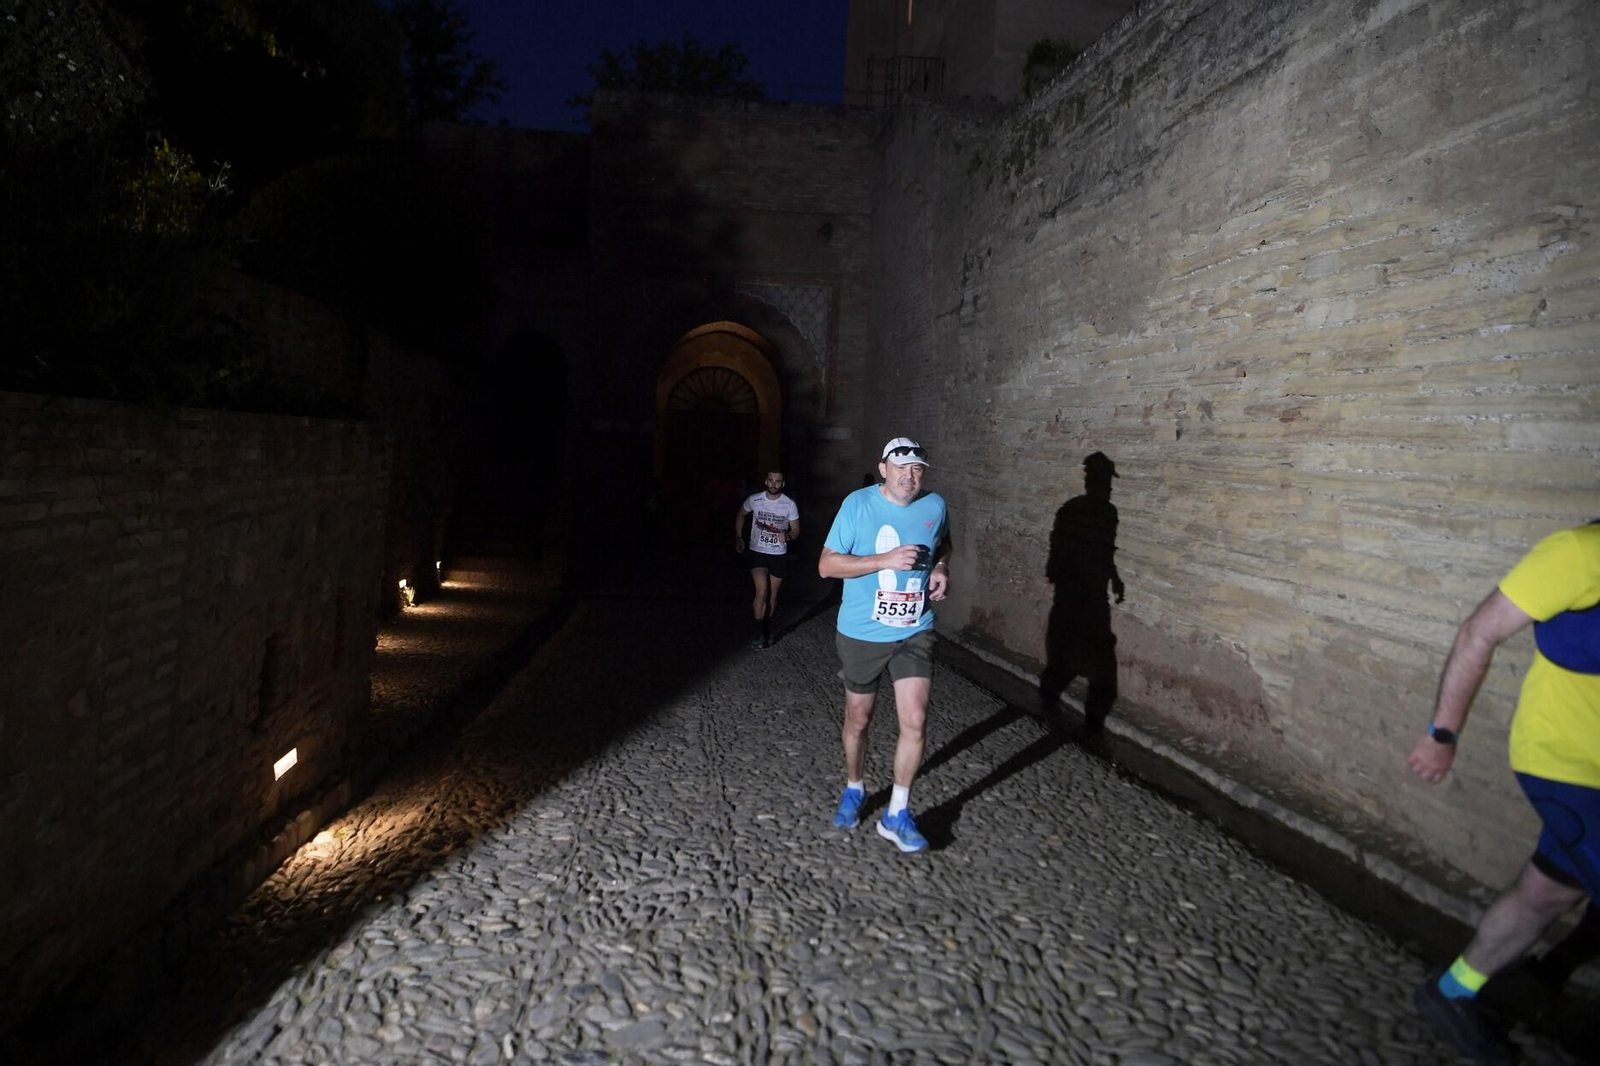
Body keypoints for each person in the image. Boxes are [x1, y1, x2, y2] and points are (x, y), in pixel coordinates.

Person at [1407, 520, 1600, 1062]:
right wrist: (1441, 736)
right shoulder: (1582, 554)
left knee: (1550, 891)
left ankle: (1454, 992)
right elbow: (1479, 633)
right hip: (1567, 767)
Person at [819, 437, 950, 853]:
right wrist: (884, 560)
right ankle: (855, 786)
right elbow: (826, 565)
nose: (909, 476)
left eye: (917, 469)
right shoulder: (856, 505)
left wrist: (942, 567)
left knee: (915, 718)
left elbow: (942, 542)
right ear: (883, 468)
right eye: (901, 467)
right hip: (862, 632)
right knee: (859, 719)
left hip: (914, 628)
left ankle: (897, 812)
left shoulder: (935, 505)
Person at [735, 470, 800, 649]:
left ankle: (766, 628)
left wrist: (786, 537)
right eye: (770, 480)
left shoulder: (789, 504)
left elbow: (796, 530)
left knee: (772, 596)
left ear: (782, 484)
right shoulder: (755, 500)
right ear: (766, 481)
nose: (773, 484)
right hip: (757, 551)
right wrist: (738, 537)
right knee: (762, 591)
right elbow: (741, 514)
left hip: (778, 554)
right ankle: (757, 633)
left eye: (777, 481)